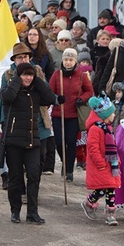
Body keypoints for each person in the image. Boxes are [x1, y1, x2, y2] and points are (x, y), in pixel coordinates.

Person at [0, 62, 56, 224]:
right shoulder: (10, 89)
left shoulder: (36, 92)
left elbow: (50, 98)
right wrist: (18, 79)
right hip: (13, 142)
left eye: (30, 75)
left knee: (33, 176)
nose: (28, 78)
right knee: (15, 179)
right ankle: (15, 211)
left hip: (32, 142)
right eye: (25, 75)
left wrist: (37, 80)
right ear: (18, 76)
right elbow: (7, 97)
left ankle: (32, 212)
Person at [48, 48, 94, 183]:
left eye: (71, 60)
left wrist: (83, 98)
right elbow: (50, 92)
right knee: (59, 142)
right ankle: (65, 161)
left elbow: (90, 91)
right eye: (66, 60)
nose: (68, 63)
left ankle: (69, 171)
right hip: (58, 113)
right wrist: (56, 99)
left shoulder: (81, 75)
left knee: (71, 142)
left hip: (74, 115)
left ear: (75, 61)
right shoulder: (57, 74)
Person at [81, 95, 121, 226]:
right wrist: (101, 163)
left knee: (110, 188)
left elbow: (113, 147)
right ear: (105, 115)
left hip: (110, 164)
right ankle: (91, 203)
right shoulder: (95, 129)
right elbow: (93, 148)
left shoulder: (107, 128)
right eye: (112, 113)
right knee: (104, 189)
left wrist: (116, 160)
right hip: (101, 165)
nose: (114, 115)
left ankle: (108, 212)